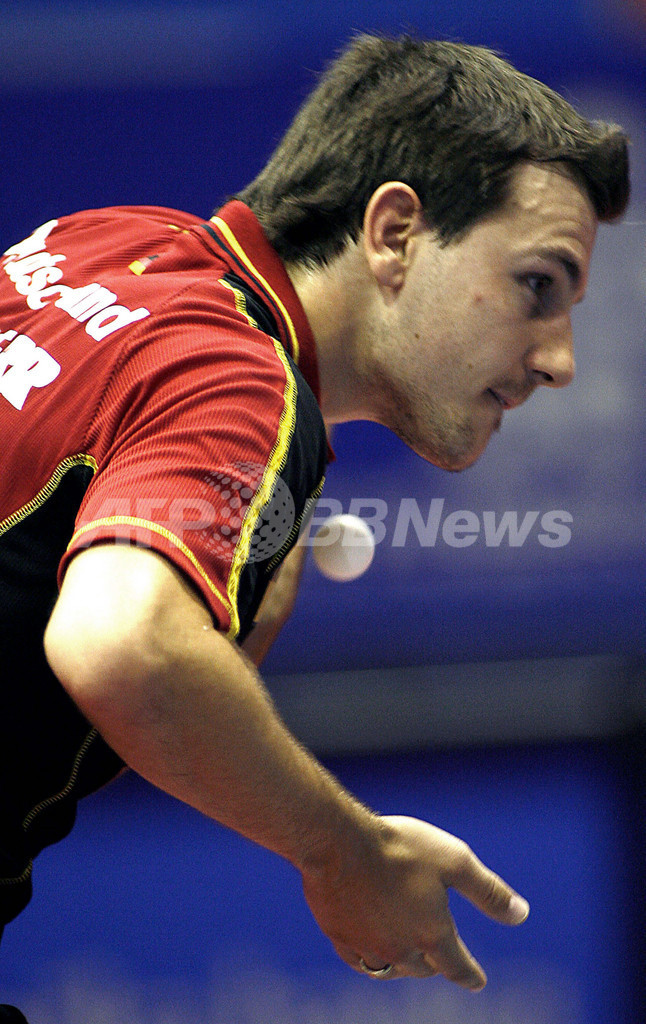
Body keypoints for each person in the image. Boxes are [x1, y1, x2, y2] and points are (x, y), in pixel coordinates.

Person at [0, 32, 629, 1015]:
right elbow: (121, 645)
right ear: (394, 232)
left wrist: (230, 620)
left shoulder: (102, 245)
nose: (559, 360)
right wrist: (345, 850)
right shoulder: (242, 379)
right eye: (536, 286)